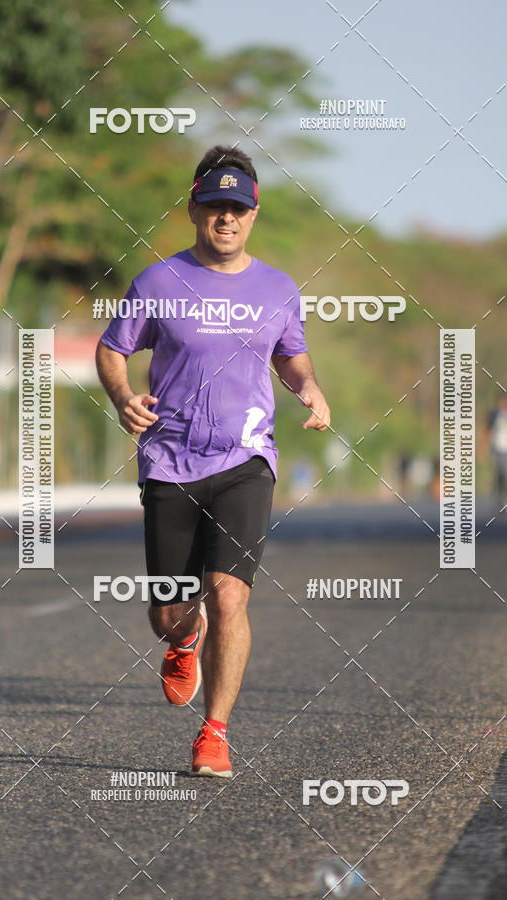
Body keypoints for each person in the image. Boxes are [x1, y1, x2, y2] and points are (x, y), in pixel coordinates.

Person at [95, 145, 330, 777]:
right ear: (194, 209)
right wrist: (122, 397)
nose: (227, 217)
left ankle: (215, 733)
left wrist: (308, 385)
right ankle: (182, 637)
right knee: (169, 612)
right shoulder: (158, 282)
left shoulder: (278, 288)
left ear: (253, 214)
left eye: (238, 208)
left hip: (245, 458)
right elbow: (113, 348)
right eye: (216, 206)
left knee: (230, 598)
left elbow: (291, 354)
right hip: (170, 460)